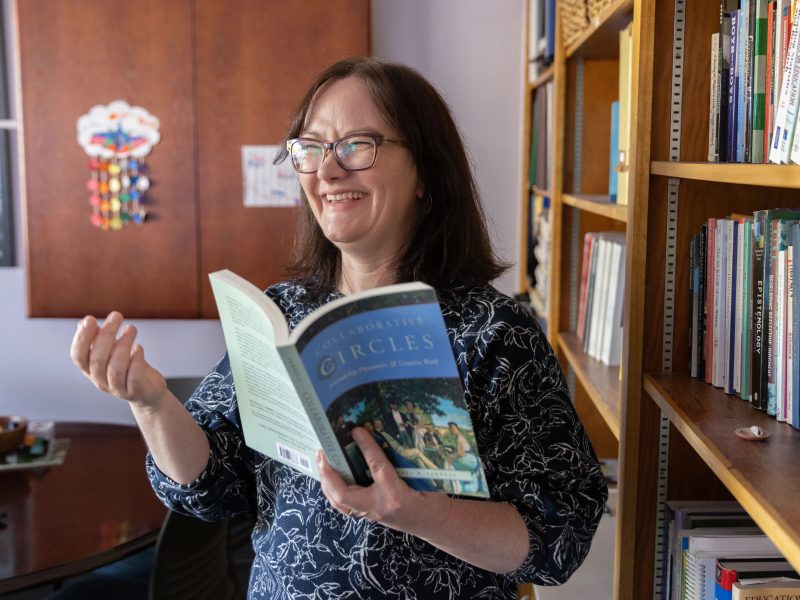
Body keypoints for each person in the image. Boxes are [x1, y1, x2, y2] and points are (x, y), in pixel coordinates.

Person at [70, 57, 607, 598]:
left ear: (425, 170)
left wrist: (423, 515)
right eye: (311, 148)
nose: (326, 171)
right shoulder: (282, 314)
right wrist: (151, 401)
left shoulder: (494, 331)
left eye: (356, 144)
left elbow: (559, 533)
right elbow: (208, 485)